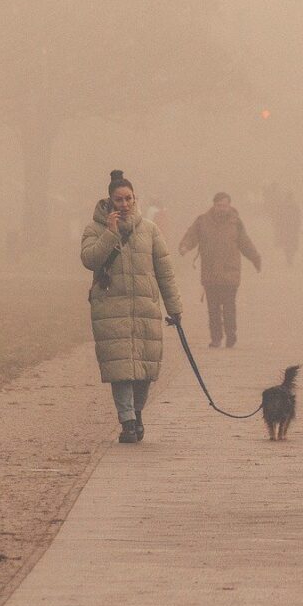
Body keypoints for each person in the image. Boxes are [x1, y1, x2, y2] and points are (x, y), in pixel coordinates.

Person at [81, 170, 183, 444]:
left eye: (128, 199)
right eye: (118, 200)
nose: (124, 205)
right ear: (110, 201)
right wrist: (110, 234)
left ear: (135, 199)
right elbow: (89, 260)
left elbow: (165, 271)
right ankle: (126, 420)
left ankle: (137, 412)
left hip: (144, 308)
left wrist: (174, 307)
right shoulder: (94, 229)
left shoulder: (149, 230)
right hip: (111, 309)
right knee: (121, 370)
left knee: (145, 369)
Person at [179, 191, 262, 348]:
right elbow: (191, 236)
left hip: (230, 272)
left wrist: (255, 258)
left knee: (229, 306)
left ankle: (231, 334)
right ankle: (216, 338)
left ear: (229, 205)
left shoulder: (235, 223)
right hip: (210, 273)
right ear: (214, 205)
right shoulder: (202, 221)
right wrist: (184, 246)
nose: (221, 208)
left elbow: (245, 243)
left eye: (224, 205)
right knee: (213, 308)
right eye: (218, 205)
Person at [276, 191, 301, 266]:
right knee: (292, 244)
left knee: (287, 244)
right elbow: (298, 217)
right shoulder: (295, 206)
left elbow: (279, 218)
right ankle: (290, 258)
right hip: (292, 228)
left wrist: (279, 227)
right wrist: (298, 226)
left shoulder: (282, 206)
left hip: (286, 228)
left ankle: (289, 258)